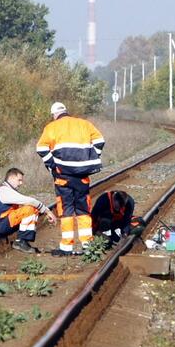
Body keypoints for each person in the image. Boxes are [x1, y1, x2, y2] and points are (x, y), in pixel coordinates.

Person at [36, 102, 105, 256]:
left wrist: (52, 165)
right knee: (83, 209)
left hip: (63, 175)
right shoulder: (84, 124)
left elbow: (41, 148)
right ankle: (88, 245)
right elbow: (100, 141)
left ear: (54, 114)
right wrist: (90, 158)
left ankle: (66, 247)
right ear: (66, 111)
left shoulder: (52, 127)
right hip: (82, 176)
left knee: (66, 210)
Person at [0, 168, 57, 253]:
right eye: (19, 180)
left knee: (26, 209)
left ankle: (21, 240)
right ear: (11, 178)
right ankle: (21, 241)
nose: (21, 183)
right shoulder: (5, 191)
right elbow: (31, 201)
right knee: (30, 209)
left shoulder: (2, 190)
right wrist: (47, 211)